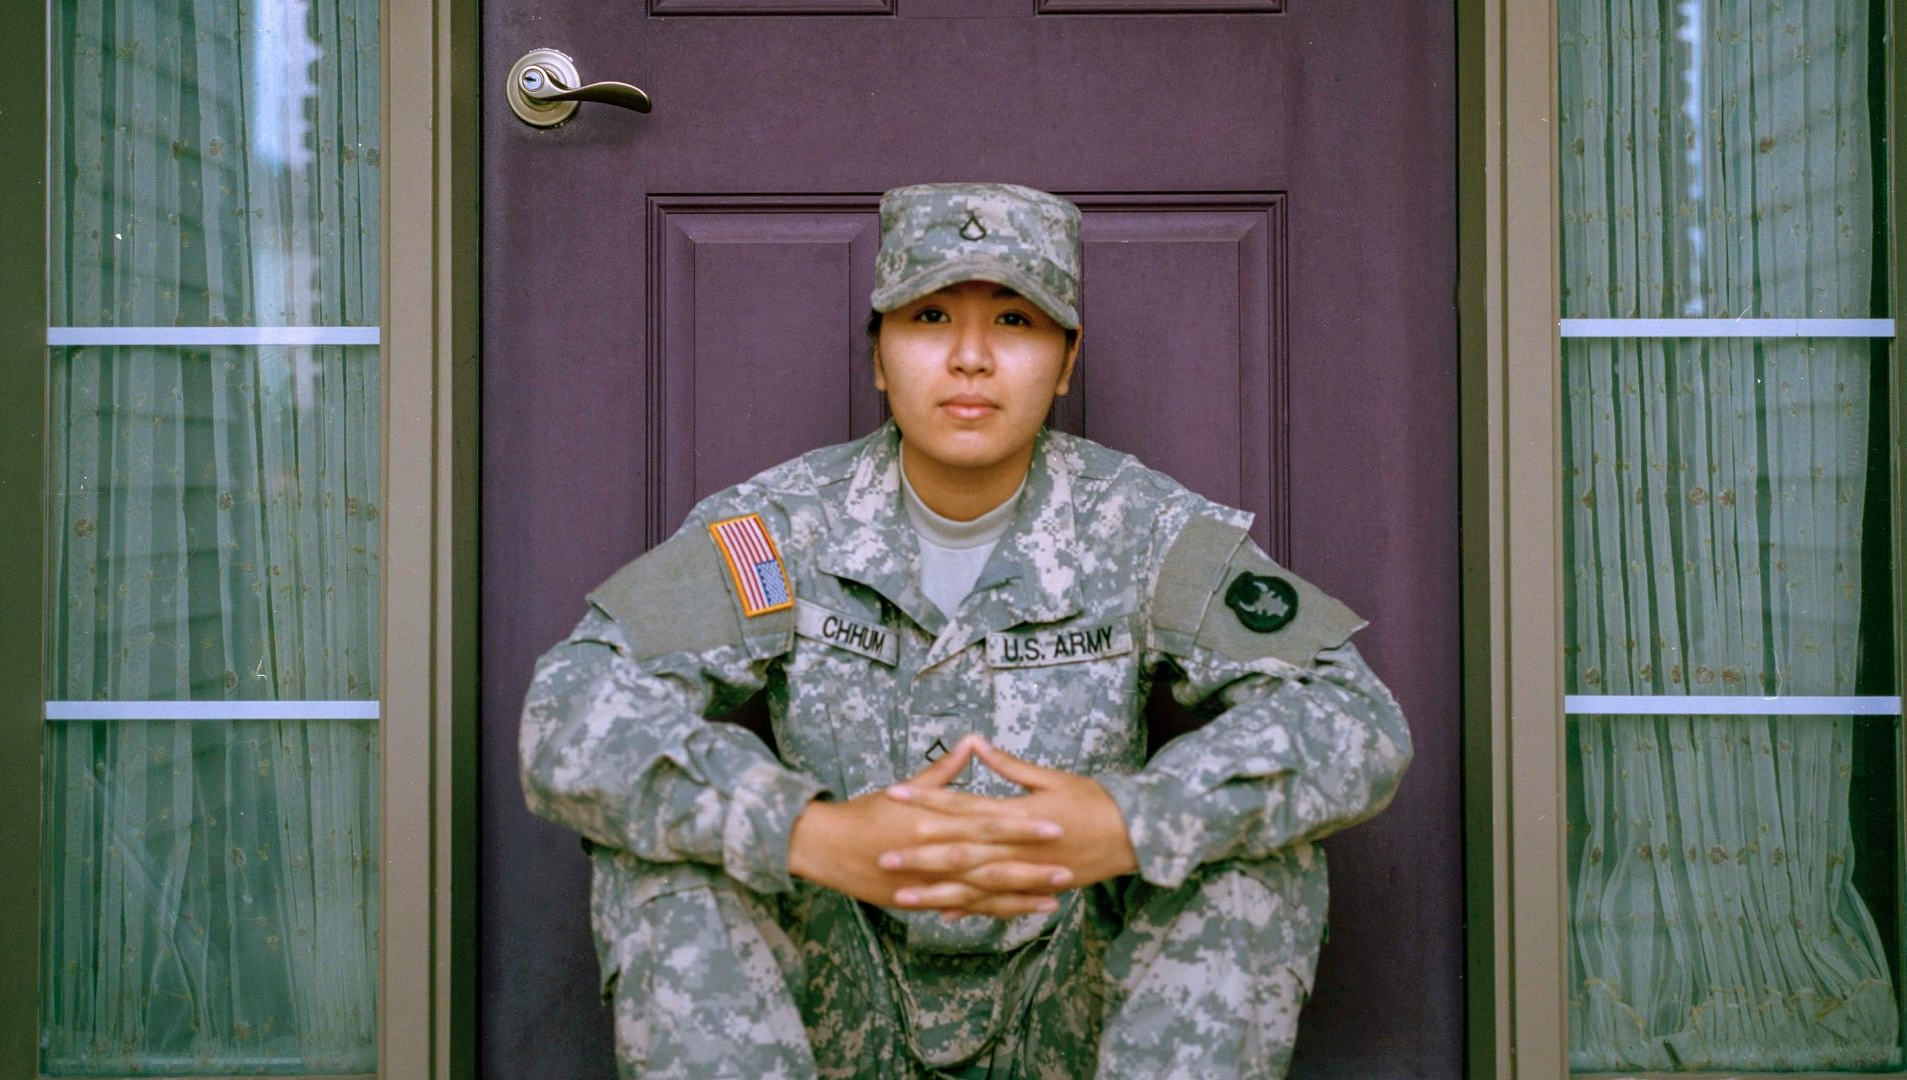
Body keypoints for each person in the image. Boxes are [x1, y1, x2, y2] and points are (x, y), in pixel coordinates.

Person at [518, 182, 1412, 1079]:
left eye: (1017, 322)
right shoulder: (779, 529)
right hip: (835, 1001)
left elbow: (1355, 716)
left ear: (1067, 363)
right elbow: (570, 712)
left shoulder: (1144, 529)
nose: (972, 357)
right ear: (879, 355)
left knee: (1259, 873)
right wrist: (806, 834)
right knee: (662, 871)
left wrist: (1134, 820)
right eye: (932, 315)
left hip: (1074, 1005)